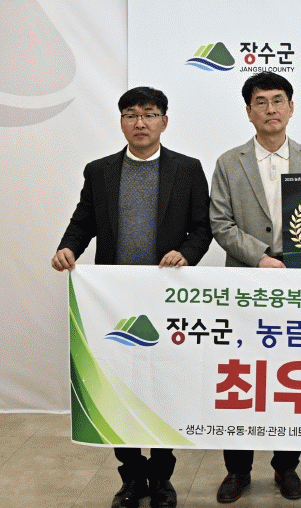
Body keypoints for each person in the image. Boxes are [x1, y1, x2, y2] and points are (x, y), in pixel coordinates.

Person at [51, 87, 212, 508]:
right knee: (118, 385)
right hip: (114, 300)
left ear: (164, 121)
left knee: (163, 386)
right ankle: (131, 477)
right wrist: (68, 247)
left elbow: (202, 227)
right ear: (121, 121)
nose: (140, 123)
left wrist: (187, 253)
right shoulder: (100, 171)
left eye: (149, 114)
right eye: (131, 114)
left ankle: (161, 478)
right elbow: (83, 220)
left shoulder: (188, 169)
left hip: (166, 297)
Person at [209, 71, 301, 503]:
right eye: (261, 102)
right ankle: (237, 470)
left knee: (291, 377)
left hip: (298, 284)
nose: (270, 109)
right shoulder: (228, 162)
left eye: (278, 100)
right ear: (248, 111)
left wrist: (297, 261)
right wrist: (260, 257)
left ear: (291, 108)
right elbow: (220, 223)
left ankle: (286, 467)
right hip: (245, 281)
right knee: (241, 377)